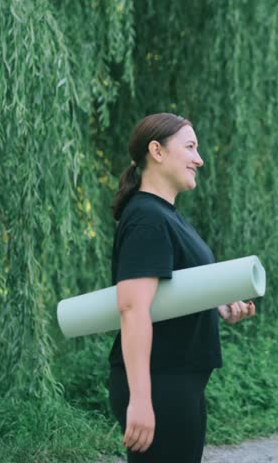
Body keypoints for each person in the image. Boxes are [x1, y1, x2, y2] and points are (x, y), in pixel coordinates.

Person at [107, 113, 256, 462]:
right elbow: (133, 308)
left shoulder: (166, 215)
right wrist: (141, 401)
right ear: (156, 151)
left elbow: (172, 289)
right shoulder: (147, 218)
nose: (199, 159)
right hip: (159, 384)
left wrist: (217, 303)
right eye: (190, 147)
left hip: (177, 383)